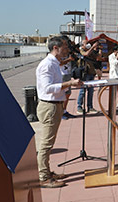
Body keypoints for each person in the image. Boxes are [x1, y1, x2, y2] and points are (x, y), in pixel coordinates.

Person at [36, 36, 83, 188]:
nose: (67, 50)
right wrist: (70, 83)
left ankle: (47, 172)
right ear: (55, 48)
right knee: (46, 143)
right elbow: (47, 88)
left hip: (54, 105)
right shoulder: (47, 65)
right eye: (64, 47)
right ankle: (43, 176)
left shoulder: (54, 63)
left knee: (49, 142)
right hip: (49, 106)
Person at [76, 40, 99, 114]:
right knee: (82, 91)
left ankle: (90, 107)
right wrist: (92, 47)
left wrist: (98, 49)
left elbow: (97, 57)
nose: (88, 44)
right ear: (82, 45)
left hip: (91, 73)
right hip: (84, 73)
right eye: (86, 43)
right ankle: (79, 107)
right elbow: (85, 54)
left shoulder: (90, 50)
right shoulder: (81, 50)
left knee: (91, 91)